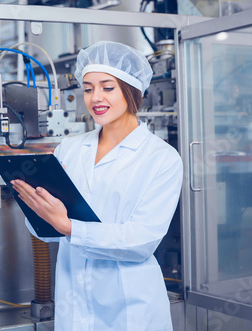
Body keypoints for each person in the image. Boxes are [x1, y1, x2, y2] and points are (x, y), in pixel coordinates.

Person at [11, 40, 183, 331]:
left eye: (107, 87)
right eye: (88, 88)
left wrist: (69, 227)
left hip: (130, 309)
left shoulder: (162, 158)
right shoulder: (70, 147)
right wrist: (37, 209)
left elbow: (141, 241)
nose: (95, 98)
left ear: (131, 90)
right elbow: (49, 231)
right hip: (73, 300)